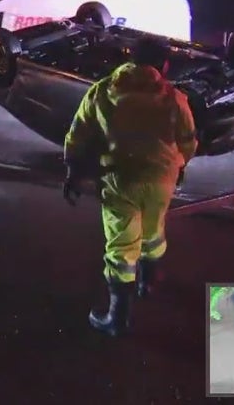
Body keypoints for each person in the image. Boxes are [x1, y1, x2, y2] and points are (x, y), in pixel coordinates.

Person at [61, 36, 198, 337]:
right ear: (162, 66)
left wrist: (73, 171)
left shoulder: (104, 90)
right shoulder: (175, 97)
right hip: (161, 179)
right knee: (153, 233)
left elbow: (78, 132)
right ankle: (147, 283)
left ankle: (117, 319)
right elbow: (187, 140)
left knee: (122, 247)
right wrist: (179, 165)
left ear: (130, 60)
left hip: (119, 178)